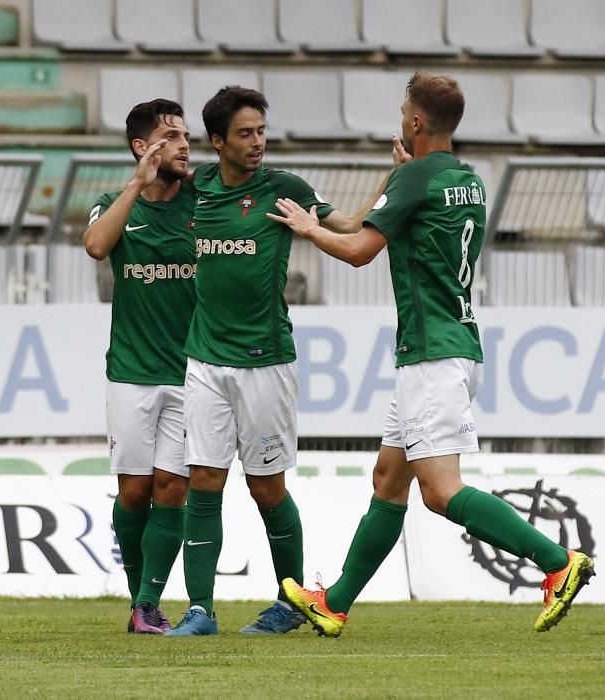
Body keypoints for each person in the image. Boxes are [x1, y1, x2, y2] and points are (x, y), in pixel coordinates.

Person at [269, 71, 596, 638]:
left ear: (416, 121)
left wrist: (306, 227)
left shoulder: (418, 179)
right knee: (388, 480)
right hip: (451, 345)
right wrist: (399, 175)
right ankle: (335, 603)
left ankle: (559, 564)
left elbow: (357, 249)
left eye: (403, 112)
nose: (401, 118)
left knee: (441, 491)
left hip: (432, 355)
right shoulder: (467, 179)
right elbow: (401, 217)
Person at [165, 85, 384, 637]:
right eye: (245, 133)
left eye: (261, 131)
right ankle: (200, 611)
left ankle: (290, 604)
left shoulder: (284, 189)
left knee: (266, 487)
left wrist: (392, 182)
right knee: (205, 479)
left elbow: (353, 227)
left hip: (266, 363)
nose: (258, 142)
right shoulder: (198, 188)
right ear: (217, 141)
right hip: (205, 361)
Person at [83, 99, 197, 635]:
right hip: (130, 372)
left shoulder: (202, 202)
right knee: (134, 491)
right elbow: (95, 245)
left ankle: (148, 603)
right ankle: (137, 598)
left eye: (185, 136)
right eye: (170, 136)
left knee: (172, 487)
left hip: (191, 373)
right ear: (142, 147)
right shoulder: (114, 203)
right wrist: (135, 185)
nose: (183, 144)